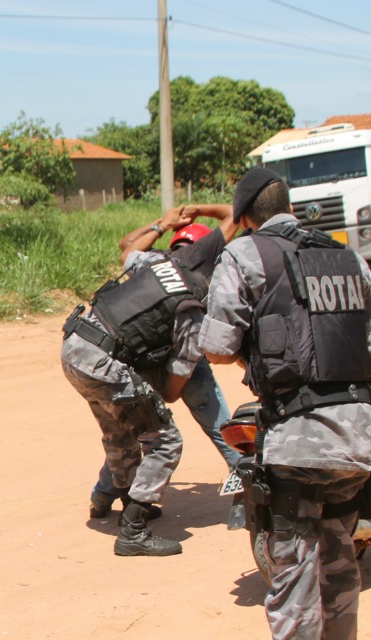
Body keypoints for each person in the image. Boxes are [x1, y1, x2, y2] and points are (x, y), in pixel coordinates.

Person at [199, 167, 371, 639]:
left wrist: (256, 357)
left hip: (299, 443)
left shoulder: (245, 253)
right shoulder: (348, 258)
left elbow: (215, 344)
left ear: (247, 217)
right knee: (339, 567)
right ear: (290, 206)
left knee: (294, 580)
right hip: (358, 439)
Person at [61, 203, 239, 556]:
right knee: (165, 439)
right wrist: (158, 387)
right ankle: (134, 529)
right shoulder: (193, 309)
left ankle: (117, 499)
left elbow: (128, 247)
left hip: (75, 348)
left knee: (120, 433)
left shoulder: (156, 263)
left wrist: (164, 222)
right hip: (106, 361)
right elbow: (174, 390)